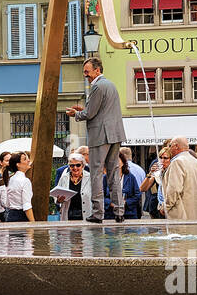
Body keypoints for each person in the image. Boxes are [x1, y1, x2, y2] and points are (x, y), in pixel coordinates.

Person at [66, 57, 126, 223]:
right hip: (115, 134)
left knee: (96, 174)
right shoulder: (110, 85)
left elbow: (90, 114)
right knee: (114, 173)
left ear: (97, 70)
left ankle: (98, 213)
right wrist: (83, 110)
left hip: (100, 135)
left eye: (87, 72)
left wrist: (76, 114)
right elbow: (101, 111)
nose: (86, 75)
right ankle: (119, 211)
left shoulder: (97, 86)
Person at [162, 137, 197, 221]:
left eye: (170, 145)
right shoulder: (196, 162)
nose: (169, 148)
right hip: (196, 215)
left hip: (181, 215)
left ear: (176, 146)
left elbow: (174, 190)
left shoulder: (177, 162)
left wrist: (165, 207)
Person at [53, 152, 90, 221]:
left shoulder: (90, 178)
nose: (75, 168)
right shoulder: (64, 177)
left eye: (78, 165)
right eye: (72, 165)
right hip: (68, 214)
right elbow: (57, 193)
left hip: (86, 214)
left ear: (83, 165)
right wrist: (58, 200)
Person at [103, 154, 140, 219]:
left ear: (123, 163)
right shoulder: (105, 178)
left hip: (129, 214)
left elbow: (137, 195)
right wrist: (110, 203)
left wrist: (126, 202)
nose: (115, 163)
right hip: (110, 215)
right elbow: (100, 196)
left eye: (117, 161)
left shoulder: (131, 177)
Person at [2, 152, 34, 223]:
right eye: (25, 159)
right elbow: (26, 205)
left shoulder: (10, 179)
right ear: (18, 164)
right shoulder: (25, 181)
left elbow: (6, 203)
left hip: (11, 215)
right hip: (21, 216)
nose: (28, 161)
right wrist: (33, 224)